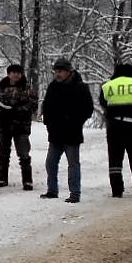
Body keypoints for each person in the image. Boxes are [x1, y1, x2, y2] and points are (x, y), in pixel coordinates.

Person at [40, 57, 93, 203]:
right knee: (50, 163)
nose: (58, 74)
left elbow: (88, 109)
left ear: (69, 72)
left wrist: (74, 121)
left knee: (73, 165)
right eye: (56, 71)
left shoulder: (80, 87)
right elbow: (47, 106)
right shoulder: (53, 87)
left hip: (72, 133)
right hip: (55, 133)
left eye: (60, 71)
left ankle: (75, 193)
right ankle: (52, 190)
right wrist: (48, 122)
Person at [99, 61, 132, 197]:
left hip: (113, 127)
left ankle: (117, 191)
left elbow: (103, 103)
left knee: (115, 159)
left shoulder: (107, 86)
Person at [0, 64, 39, 190]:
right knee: (3, 154)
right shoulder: (0, 89)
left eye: (18, 72)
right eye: (13, 72)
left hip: (21, 126)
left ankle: (27, 181)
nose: (16, 74)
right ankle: (2, 178)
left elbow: (33, 105)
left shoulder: (27, 89)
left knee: (24, 154)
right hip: (3, 126)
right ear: (9, 74)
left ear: (21, 74)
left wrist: (16, 110)